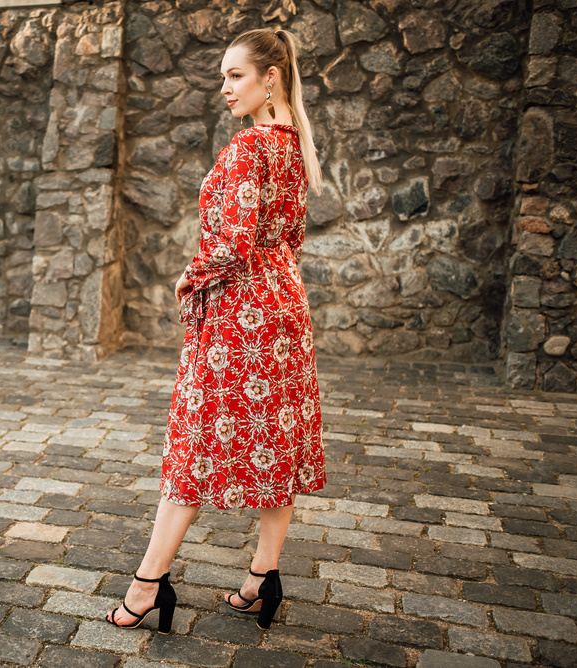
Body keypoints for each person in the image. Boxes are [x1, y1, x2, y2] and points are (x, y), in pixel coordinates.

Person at [106, 27, 327, 634]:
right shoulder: (293, 144)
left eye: (236, 76)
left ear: (270, 78)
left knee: (193, 449)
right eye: (223, 77)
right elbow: (286, 240)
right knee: (274, 443)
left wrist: (188, 277)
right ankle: (262, 577)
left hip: (239, 317)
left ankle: (148, 585)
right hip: (285, 310)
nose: (225, 88)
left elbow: (230, 243)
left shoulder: (249, 149)